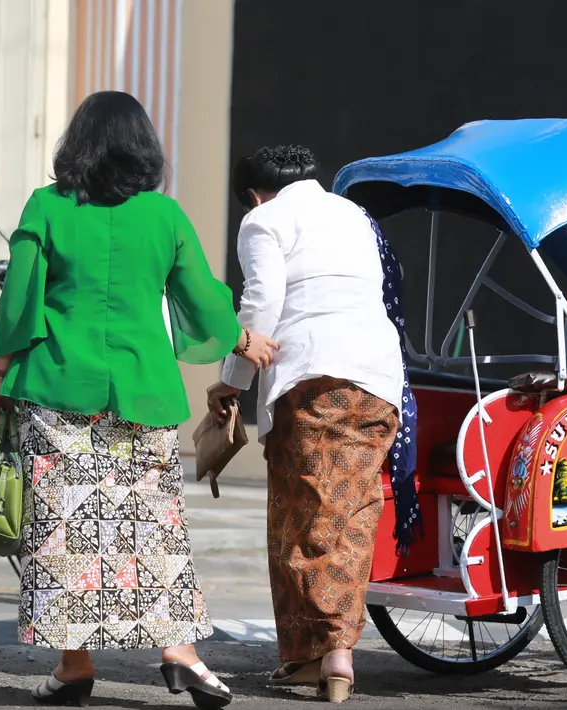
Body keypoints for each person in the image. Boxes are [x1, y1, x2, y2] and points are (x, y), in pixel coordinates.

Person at [0, 90, 277, 708]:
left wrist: (3, 369)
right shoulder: (164, 217)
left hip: (58, 389)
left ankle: (75, 666)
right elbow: (202, 298)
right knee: (153, 527)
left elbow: (19, 299)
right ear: (144, 147)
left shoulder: (47, 207)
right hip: (144, 393)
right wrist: (242, 338)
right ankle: (181, 655)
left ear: (79, 144)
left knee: (64, 532)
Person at [205, 145, 415, 703]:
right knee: (351, 509)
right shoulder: (352, 214)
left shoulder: (263, 219)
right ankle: (325, 657)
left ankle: (323, 654)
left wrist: (231, 381)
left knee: (301, 513)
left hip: (312, 376)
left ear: (252, 193)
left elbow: (261, 305)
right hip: (376, 378)